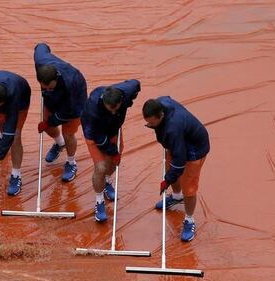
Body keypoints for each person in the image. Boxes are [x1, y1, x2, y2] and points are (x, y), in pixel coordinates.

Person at [142, 97, 210, 242]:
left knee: (189, 187)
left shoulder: (173, 128)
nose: (149, 125)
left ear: (161, 116)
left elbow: (179, 162)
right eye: (148, 122)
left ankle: (189, 220)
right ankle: (177, 197)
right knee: (170, 169)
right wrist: (170, 176)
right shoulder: (162, 103)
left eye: (152, 123)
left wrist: (167, 181)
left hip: (194, 149)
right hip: (178, 142)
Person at [81, 79, 141, 222]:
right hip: (95, 135)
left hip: (113, 129)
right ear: (104, 103)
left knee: (114, 162)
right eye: (110, 109)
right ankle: (99, 200)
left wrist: (133, 97)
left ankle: (107, 181)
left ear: (121, 100)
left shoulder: (126, 91)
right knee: (101, 167)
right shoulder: (92, 110)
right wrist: (112, 151)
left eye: (116, 108)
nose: (114, 111)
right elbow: (96, 137)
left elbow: (136, 84)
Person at [33, 43, 87, 182]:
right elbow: (41, 47)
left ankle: (71, 162)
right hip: (54, 99)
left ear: (55, 79)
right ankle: (59, 143)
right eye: (43, 88)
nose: (46, 90)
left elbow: (69, 111)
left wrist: (51, 121)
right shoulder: (41, 61)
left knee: (68, 133)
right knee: (48, 127)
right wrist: (48, 123)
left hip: (74, 102)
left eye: (49, 87)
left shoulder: (71, 83)